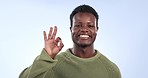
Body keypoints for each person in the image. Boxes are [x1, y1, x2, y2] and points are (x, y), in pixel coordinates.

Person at [19, 5, 121, 78]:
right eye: (78, 25)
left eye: (90, 26)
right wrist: (47, 56)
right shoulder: (52, 63)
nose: (84, 29)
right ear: (70, 29)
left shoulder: (111, 70)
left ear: (96, 30)